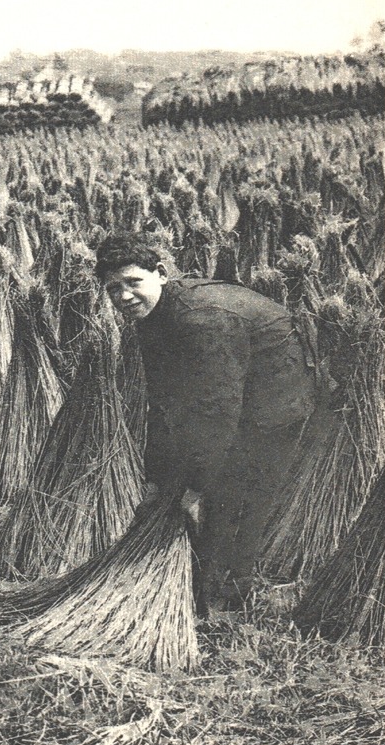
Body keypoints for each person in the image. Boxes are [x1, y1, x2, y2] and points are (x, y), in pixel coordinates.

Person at [94, 231, 325, 612]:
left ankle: (224, 603)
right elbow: (167, 400)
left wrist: (196, 487)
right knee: (192, 489)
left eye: (133, 282)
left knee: (234, 500)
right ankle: (197, 583)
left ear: (162, 274)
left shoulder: (203, 321)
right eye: (113, 289)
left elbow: (216, 411)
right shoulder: (154, 315)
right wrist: (158, 476)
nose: (123, 296)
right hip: (232, 389)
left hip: (275, 401)